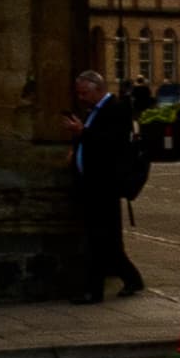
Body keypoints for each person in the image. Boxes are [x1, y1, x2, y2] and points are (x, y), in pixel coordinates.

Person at [70, 69, 146, 298]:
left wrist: (83, 132)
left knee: (100, 239)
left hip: (106, 185)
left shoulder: (116, 109)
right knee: (105, 240)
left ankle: (94, 291)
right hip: (91, 184)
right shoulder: (93, 111)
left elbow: (112, 144)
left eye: (84, 93)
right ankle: (131, 279)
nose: (81, 97)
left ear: (98, 90)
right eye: (79, 93)